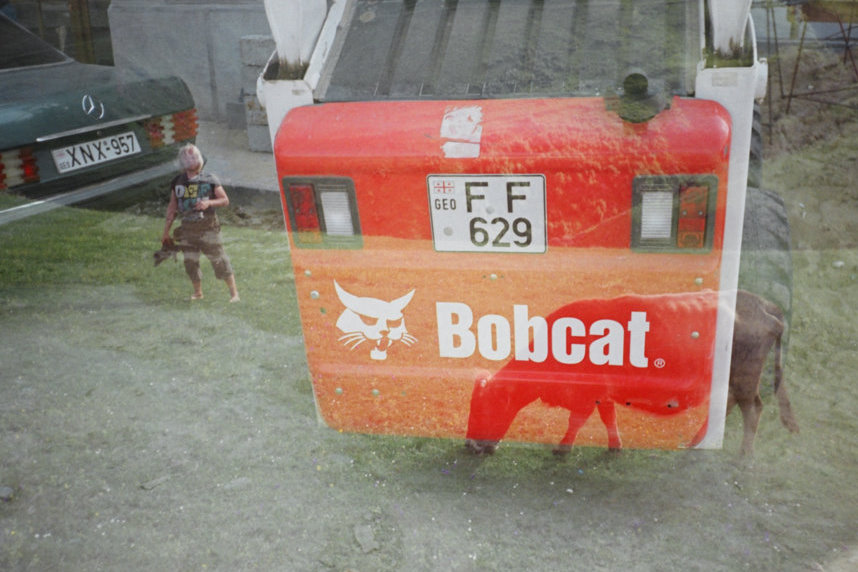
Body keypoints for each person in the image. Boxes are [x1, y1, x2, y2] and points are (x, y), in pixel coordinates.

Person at [162, 143, 239, 302]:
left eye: (194, 156)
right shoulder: (177, 182)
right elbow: (172, 207)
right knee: (190, 262)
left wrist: (209, 203)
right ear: (182, 162)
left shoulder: (209, 179)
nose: (192, 160)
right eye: (188, 157)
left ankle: (234, 294)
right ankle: (198, 293)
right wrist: (166, 232)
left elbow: (225, 200)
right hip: (187, 230)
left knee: (219, 260)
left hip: (208, 228)